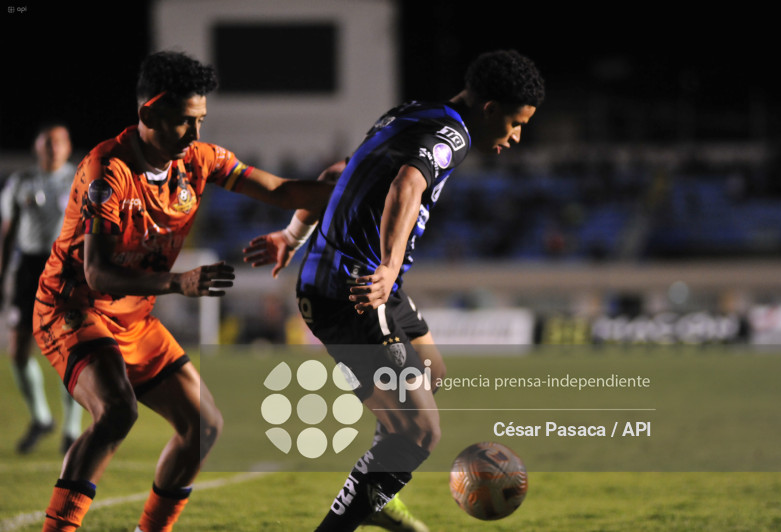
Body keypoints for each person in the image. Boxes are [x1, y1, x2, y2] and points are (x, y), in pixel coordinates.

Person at [244, 49, 545, 532]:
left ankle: (375, 490)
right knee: (421, 431)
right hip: (354, 289)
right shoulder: (452, 135)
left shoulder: (412, 113)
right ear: (489, 110)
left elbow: (337, 176)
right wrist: (386, 268)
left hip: (371, 282)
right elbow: (406, 185)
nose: (516, 137)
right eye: (514, 123)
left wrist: (290, 235)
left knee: (432, 371)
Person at [32, 50, 332, 532]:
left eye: (201, 121)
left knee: (202, 429)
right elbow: (98, 274)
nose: (195, 135)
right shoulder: (107, 171)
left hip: (132, 316)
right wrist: (179, 282)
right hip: (71, 308)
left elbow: (279, 191)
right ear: (148, 113)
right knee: (116, 412)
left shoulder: (197, 160)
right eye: (183, 122)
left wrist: (370, 187)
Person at [0, 123, 84, 455]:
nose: (52, 148)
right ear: (37, 147)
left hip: (65, 269)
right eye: (47, 143)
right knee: (19, 350)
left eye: (58, 143)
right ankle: (41, 418)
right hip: (28, 270)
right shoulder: (20, 182)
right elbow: (8, 234)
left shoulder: (79, 179)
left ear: (67, 147)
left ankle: (72, 429)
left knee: (71, 349)